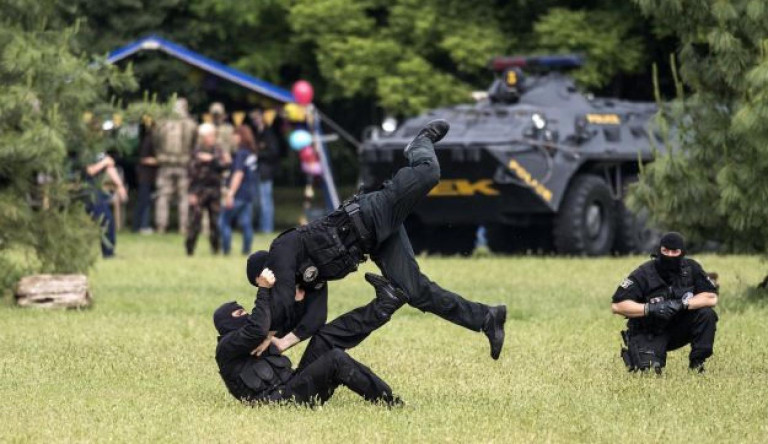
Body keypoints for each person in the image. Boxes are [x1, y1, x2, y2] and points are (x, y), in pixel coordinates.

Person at [245, 120, 508, 360]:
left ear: (268, 272)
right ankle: (486, 318)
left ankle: (420, 144)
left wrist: (266, 326)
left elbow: (280, 298)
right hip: (375, 241)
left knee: (429, 172)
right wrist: (282, 343)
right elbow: (315, 319)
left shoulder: (283, 247)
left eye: (267, 280)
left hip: (371, 212)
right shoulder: (309, 279)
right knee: (415, 291)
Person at [214, 269, 406, 406]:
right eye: (240, 314)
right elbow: (256, 327)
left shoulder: (258, 334)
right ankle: (389, 401)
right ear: (226, 325)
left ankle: (383, 306)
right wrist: (263, 289)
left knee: (325, 337)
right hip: (277, 401)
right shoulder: (227, 347)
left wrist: (299, 295)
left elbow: (297, 322)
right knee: (336, 359)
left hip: (293, 384)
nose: (247, 316)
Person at [611, 232, 719, 373]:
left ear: (682, 253)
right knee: (649, 372)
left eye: (675, 252)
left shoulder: (691, 268)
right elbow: (617, 305)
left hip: (678, 329)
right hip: (650, 331)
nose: (670, 255)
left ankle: (697, 363)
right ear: (659, 251)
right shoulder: (644, 273)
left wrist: (682, 304)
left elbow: (711, 297)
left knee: (707, 314)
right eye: (665, 251)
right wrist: (650, 308)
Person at [154, 98, 197, 234]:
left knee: (162, 196)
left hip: (165, 163)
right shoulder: (191, 124)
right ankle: (183, 227)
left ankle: (161, 226)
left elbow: (156, 141)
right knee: (183, 197)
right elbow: (194, 143)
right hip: (184, 163)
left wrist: (160, 154)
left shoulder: (161, 123)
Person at [186, 123, 229, 256]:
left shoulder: (218, 150)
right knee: (195, 222)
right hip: (199, 191)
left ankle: (215, 249)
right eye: (209, 135)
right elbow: (190, 174)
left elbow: (225, 166)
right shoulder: (196, 151)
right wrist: (191, 193)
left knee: (215, 223)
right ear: (203, 137)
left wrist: (212, 159)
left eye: (213, 135)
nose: (212, 137)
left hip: (214, 191)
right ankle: (190, 249)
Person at [219, 125, 258, 255]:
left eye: (234, 135)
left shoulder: (241, 153)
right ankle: (246, 251)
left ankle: (226, 250)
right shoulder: (251, 153)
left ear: (240, 136)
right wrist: (230, 162)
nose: (232, 138)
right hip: (249, 193)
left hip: (239, 193)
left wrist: (230, 193)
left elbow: (239, 174)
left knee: (224, 221)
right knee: (246, 223)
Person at [83, 153, 128, 258]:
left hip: (96, 190)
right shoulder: (84, 150)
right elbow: (90, 170)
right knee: (105, 219)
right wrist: (104, 162)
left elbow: (110, 168)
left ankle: (109, 252)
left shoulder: (99, 151)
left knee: (108, 220)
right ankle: (106, 252)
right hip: (84, 189)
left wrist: (120, 187)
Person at [250, 109, 280, 234]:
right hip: (256, 171)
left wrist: (258, 155)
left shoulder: (269, 133)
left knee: (266, 201)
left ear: (262, 117)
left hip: (266, 172)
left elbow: (274, 152)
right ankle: (261, 227)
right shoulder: (256, 133)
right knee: (257, 202)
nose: (255, 120)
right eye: (253, 119)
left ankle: (267, 228)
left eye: (257, 117)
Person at [132, 116, 158, 234]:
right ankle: (142, 225)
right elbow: (143, 159)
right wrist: (156, 160)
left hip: (147, 175)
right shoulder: (149, 140)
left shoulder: (148, 139)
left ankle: (139, 225)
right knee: (144, 201)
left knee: (144, 201)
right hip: (145, 175)